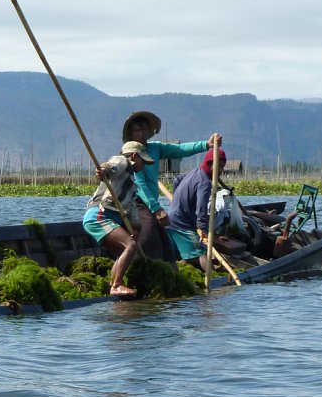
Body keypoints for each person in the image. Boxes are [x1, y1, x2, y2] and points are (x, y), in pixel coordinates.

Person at [121, 110, 222, 263]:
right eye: (136, 130)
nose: (141, 133)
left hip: (150, 203)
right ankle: (135, 265)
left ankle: (170, 268)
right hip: (136, 203)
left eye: (143, 129)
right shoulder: (131, 154)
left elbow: (179, 150)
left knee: (165, 241)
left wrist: (206, 145)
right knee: (146, 236)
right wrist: (157, 209)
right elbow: (140, 185)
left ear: (148, 131)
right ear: (131, 133)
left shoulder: (155, 148)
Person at [82, 140, 154, 297]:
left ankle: (112, 284)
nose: (144, 166)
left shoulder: (131, 183)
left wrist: (136, 228)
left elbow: (133, 209)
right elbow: (111, 167)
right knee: (131, 245)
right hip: (99, 215)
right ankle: (116, 286)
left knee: (124, 250)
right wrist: (104, 171)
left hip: (109, 218)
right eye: (143, 161)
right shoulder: (124, 162)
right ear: (135, 156)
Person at [167, 149, 228, 267]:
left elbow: (177, 180)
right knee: (200, 252)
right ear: (208, 164)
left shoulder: (194, 172)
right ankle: (209, 278)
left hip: (170, 219)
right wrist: (203, 230)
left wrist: (175, 200)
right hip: (182, 224)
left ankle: (185, 261)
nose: (220, 170)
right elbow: (201, 210)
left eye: (221, 167)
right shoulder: (205, 182)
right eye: (217, 166)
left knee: (183, 252)